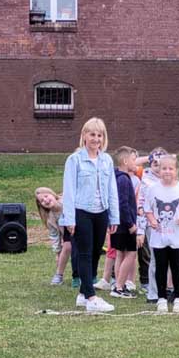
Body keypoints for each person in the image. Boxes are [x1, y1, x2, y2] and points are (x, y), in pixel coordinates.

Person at [61, 117, 119, 313]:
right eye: (92, 134)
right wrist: (69, 219)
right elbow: (69, 191)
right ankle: (91, 297)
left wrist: (114, 217)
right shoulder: (74, 160)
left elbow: (112, 189)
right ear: (84, 136)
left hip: (101, 211)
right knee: (84, 253)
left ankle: (83, 293)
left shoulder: (106, 160)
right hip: (81, 211)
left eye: (99, 135)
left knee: (95, 252)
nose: (96, 139)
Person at [145, 154, 179, 314]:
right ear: (159, 170)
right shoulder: (152, 188)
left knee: (177, 267)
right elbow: (148, 209)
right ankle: (161, 298)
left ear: (176, 170)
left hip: (177, 237)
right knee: (160, 267)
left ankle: (178, 298)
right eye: (164, 168)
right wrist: (152, 220)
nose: (167, 171)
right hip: (159, 236)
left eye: (170, 168)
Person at [137, 147, 167, 304]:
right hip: (152, 224)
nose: (158, 166)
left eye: (161, 164)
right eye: (155, 163)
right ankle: (153, 292)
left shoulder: (171, 180)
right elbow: (141, 206)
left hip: (169, 224)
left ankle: (167, 288)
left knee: (169, 258)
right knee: (155, 257)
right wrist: (140, 230)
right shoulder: (146, 180)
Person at [110, 146, 139, 298]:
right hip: (124, 225)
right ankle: (119, 287)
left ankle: (118, 284)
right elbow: (123, 204)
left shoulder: (116, 177)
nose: (136, 163)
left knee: (120, 254)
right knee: (131, 254)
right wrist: (130, 224)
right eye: (134, 160)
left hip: (118, 224)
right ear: (125, 161)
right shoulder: (123, 179)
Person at [34, 187, 79, 287]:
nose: (46, 200)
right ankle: (59, 275)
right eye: (42, 201)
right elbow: (54, 236)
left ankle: (88, 275)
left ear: (52, 194)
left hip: (79, 226)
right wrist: (57, 251)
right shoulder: (51, 219)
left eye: (46, 196)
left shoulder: (66, 201)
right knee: (67, 246)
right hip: (68, 233)